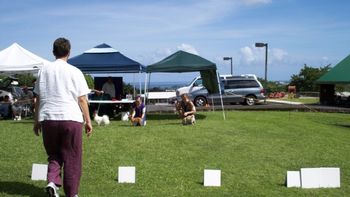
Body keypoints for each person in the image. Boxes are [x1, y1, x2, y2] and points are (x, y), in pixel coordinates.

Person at [33, 38, 92, 197]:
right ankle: (72, 194)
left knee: (54, 153)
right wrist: (88, 121)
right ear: (69, 52)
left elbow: (37, 99)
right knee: (72, 157)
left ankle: (52, 181)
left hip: (48, 118)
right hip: (71, 118)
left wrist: (36, 121)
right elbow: (81, 99)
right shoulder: (75, 71)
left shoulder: (43, 71)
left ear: (53, 52)